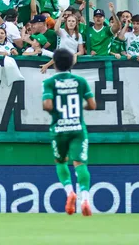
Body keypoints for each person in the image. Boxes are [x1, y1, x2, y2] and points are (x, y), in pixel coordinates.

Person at [42, 47, 96, 217]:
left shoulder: (50, 82)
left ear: (55, 64)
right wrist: (78, 108)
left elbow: (47, 105)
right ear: (72, 62)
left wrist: (58, 111)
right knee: (80, 164)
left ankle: (69, 192)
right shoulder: (80, 81)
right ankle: (85, 199)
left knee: (61, 162)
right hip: (78, 128)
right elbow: (93, 105)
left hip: (59, 128)